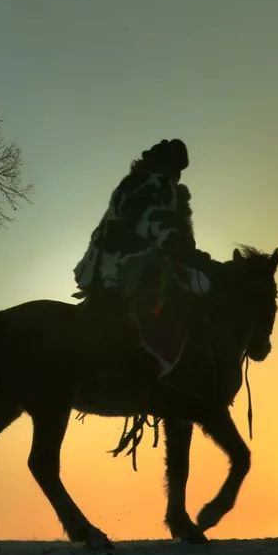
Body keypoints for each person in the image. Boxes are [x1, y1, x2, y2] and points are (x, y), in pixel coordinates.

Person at [74, 139, 212, 378]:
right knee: (177, 291)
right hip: (119, 260)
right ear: (161, 163)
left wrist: (190, 252)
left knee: (197, 284)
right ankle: (145, 360)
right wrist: (177, 243)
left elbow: (172, 230)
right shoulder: (143, 184)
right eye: (174, 167)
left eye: (179, 170)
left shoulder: (163, 188)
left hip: (141, 257)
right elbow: (147, 217)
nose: (176, 174)